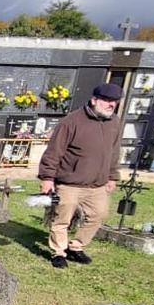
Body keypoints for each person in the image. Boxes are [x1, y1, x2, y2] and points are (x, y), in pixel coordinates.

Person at [37, 82, 122, 269]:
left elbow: (113, 152)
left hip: (96, 185)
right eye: (106, 100)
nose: (111, 105)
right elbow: (54, 152)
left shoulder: (114, 123)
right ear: (94, 100)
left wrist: (112, 176)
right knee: (62, 218)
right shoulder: (72, 122)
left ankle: (76, 247)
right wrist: (47, 178)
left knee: (98, 214)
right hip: (70, 183)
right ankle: (58, 252)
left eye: (114, 101)